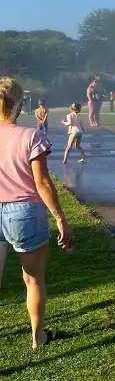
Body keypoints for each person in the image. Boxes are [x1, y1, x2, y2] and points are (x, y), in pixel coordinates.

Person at [0, 77, 77, 350]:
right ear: (20, 106)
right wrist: (60, 219)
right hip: (24, 212)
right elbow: (42, 183)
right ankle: (38, 337)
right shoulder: (31, 136)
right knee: (33, 279)